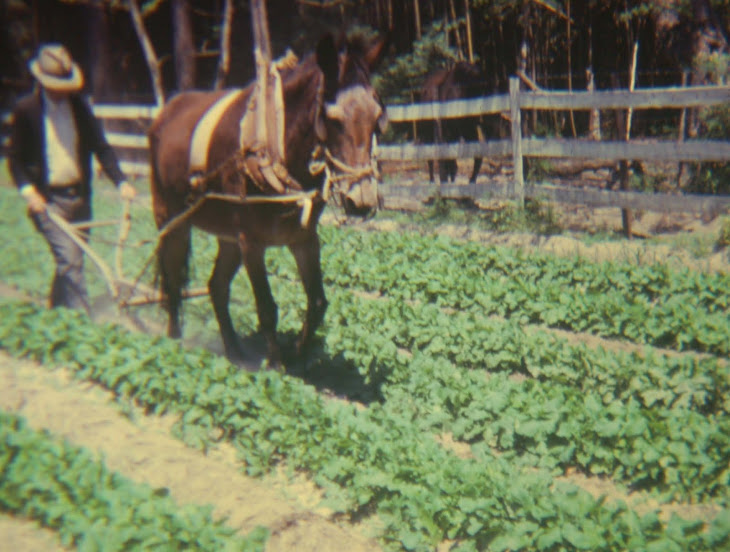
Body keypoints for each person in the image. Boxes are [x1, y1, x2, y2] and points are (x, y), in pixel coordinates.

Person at [8, 43, 136, 312]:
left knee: (69, 261)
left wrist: (121, 181)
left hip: (80, 197)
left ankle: (55, 313)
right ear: (42, 82)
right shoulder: (27, 110)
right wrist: (29, 192)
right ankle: (84, 323)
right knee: (71, 262)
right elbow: (15, 159)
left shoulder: (79, 107)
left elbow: (101, 147)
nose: (61, 92)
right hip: (48, 200)